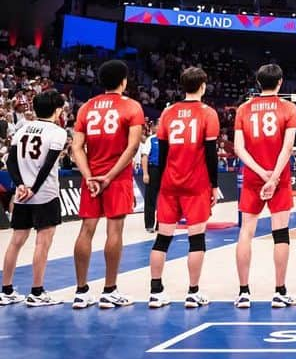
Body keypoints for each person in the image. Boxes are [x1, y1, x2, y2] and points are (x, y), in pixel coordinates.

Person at [70, 60, 146, 310]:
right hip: (117, 178)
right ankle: (109, 290)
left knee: (86, 230)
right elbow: (132, 146)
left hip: (91, 177)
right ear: (124, 81)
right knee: (115, 231)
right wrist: (110, 176)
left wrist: (89, 175)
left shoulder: (86, 108)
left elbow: (76, 147)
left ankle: (81, 292)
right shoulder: (132, 106)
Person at [149, 67, 222, 309]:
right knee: (196, 239)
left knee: (162, 239)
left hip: (170, 183)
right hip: (196, 183)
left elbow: (162, 153)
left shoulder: (168, 113)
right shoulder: (208, 113)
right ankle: (192, 292)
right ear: (202, 86)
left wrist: (161, 184)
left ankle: (155, 291)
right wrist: (215, 185)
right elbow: (211, 154)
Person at [232, 63, 296, 309]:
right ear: (280, 82)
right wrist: (272, 178)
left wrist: (260, 173)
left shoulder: (243, 109)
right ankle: (279, 292)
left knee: (246, 232)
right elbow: (288, 147)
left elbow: (239, 148)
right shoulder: (289, 108)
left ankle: (243, 292)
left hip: (252, 177)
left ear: (259, 82)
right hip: (279, 178)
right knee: (280, 233)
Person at [0, 90, 67, 307]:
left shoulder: (22, 129)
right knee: (42, 243)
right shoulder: (57, 132)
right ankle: (37, 291)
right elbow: (48, 164)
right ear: (57, 110)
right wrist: (34, 188)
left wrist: (21, 185)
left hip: (21, 196)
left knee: (16, 242)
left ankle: (6, 289)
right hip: (45, 194)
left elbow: (9, 161)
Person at [138, 122, 161, 233]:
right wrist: (146, 173)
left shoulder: (169, 140)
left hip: (165, 171)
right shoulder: (151, 139)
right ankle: (149, 224)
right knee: (150, 198)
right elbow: (145, 156)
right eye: (159, 125)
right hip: (153, 170)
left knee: (164, 200)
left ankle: (161, 225)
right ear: (154, 127)